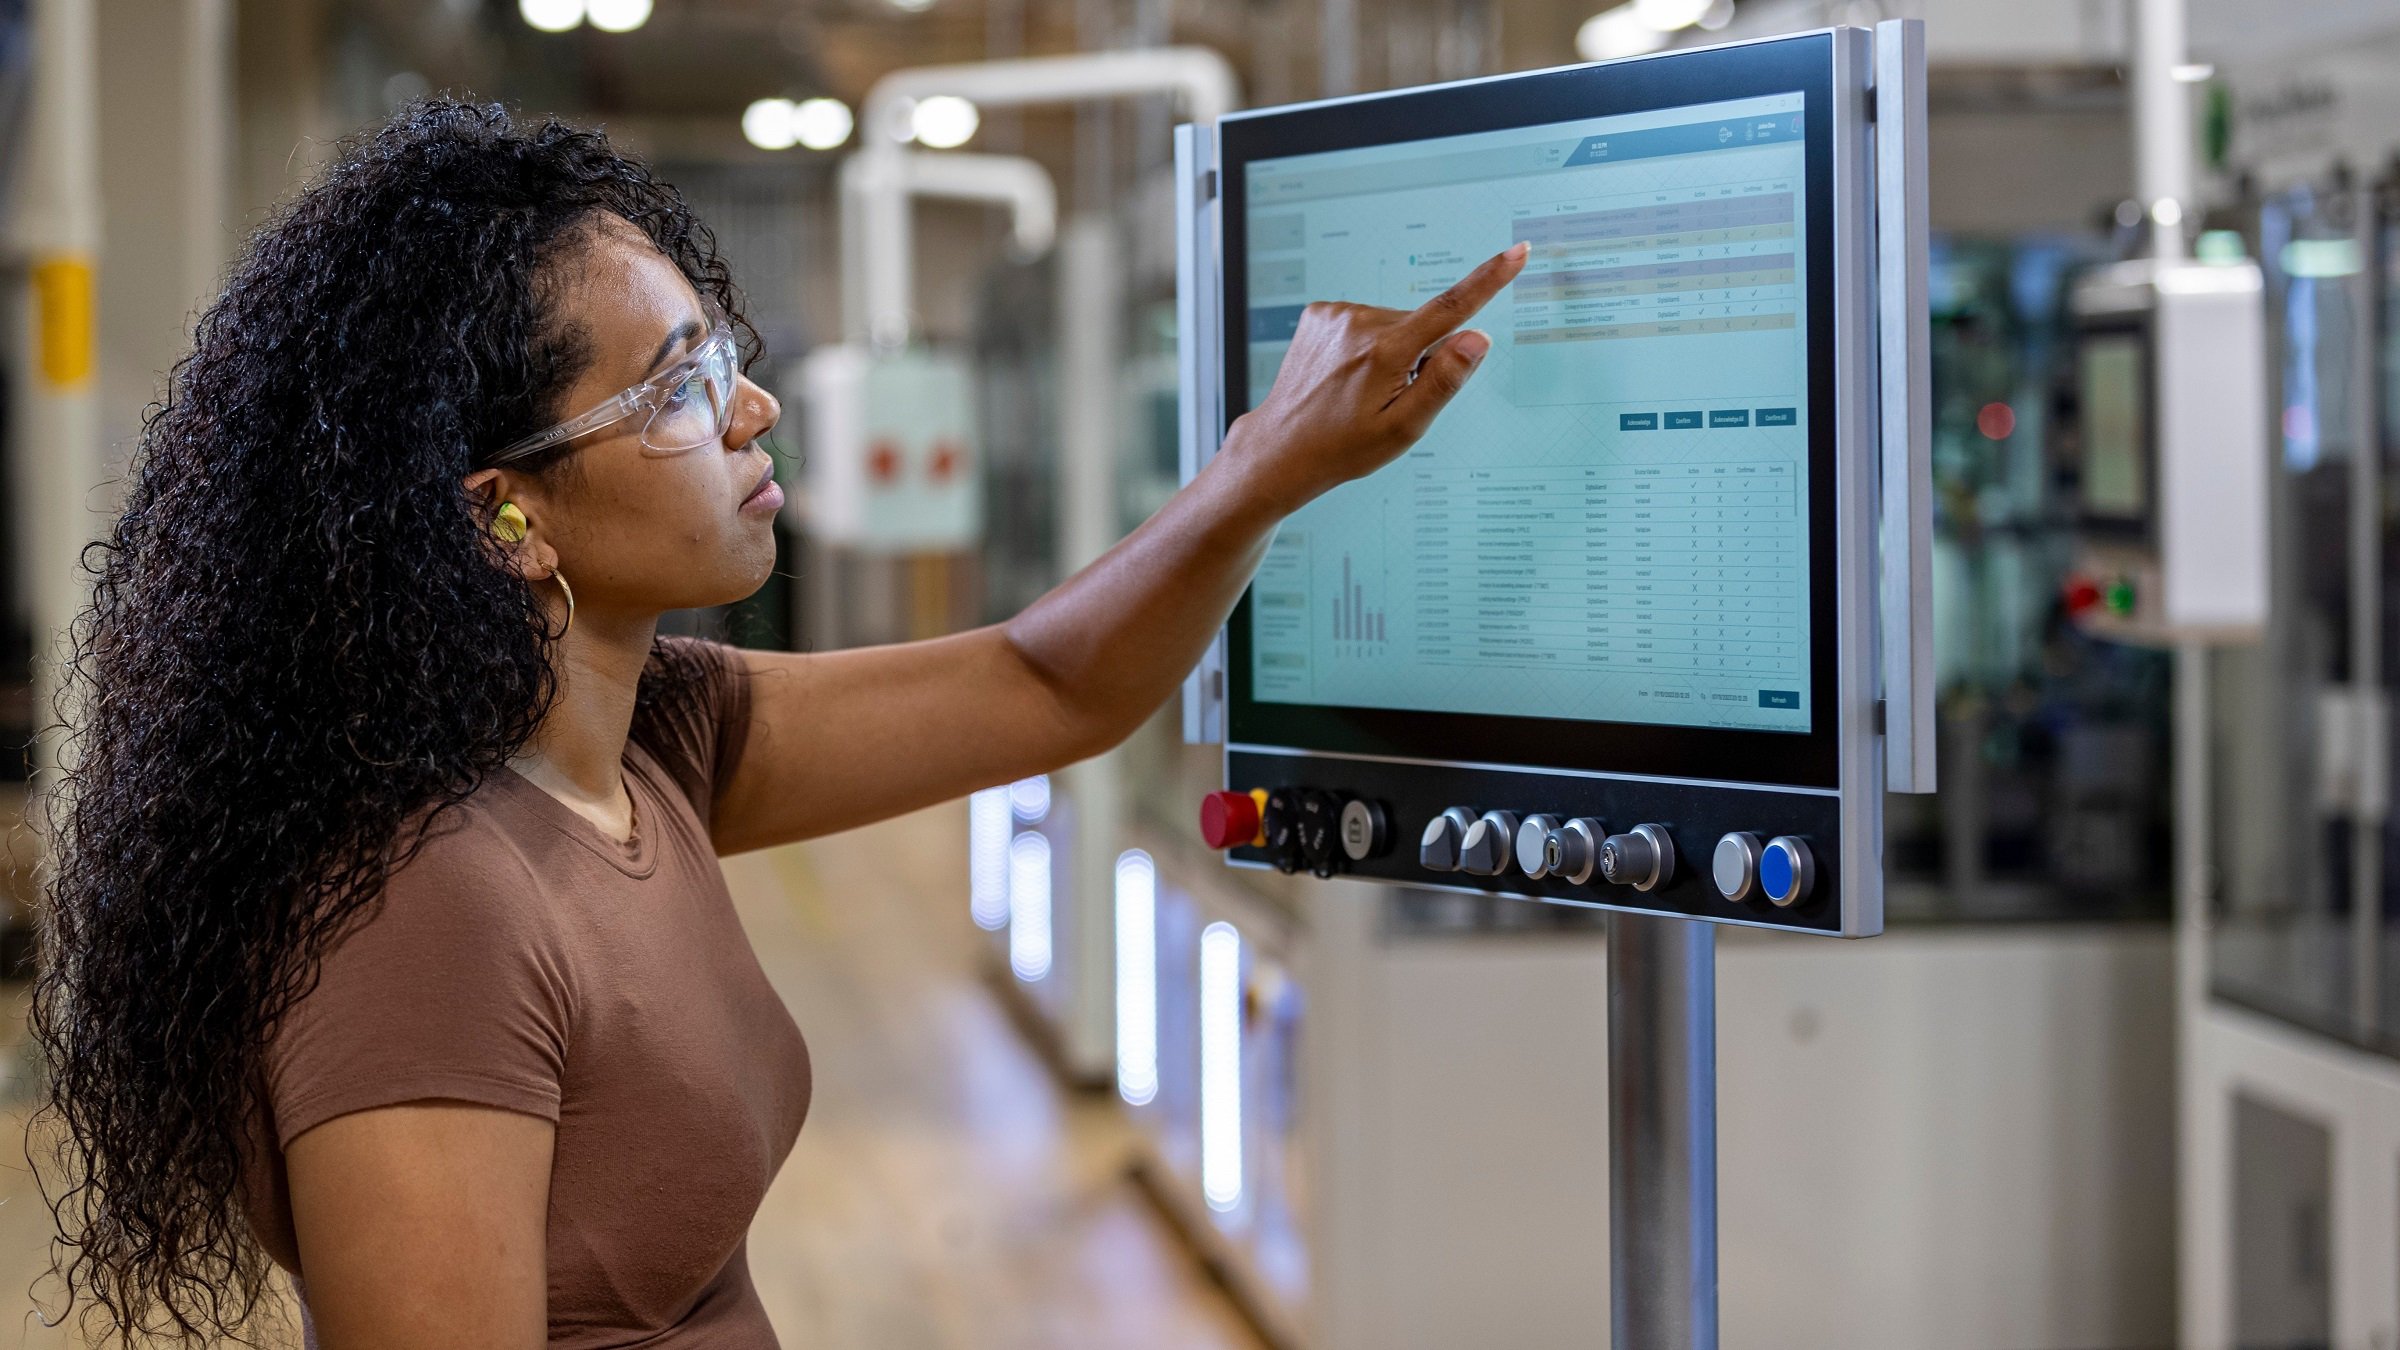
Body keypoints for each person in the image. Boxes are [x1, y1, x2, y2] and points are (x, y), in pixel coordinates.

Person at [31, 100, 1524, 1349]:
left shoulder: (648, 739)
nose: (754, 412)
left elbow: (1048, 686)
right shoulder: (428, 914)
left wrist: (1267, 468)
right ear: (506, 513)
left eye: (720, 352)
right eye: (677, 387)